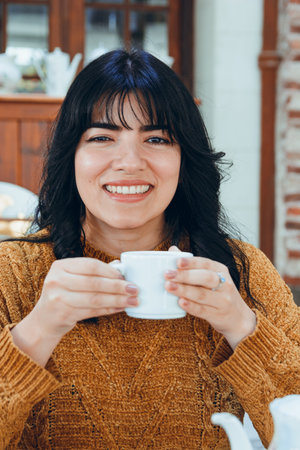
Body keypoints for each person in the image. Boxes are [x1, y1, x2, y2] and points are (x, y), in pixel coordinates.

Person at [0, 48, 299, 450]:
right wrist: (37, 331)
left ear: (184, 157)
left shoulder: (239, 273)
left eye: (156, 138)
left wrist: (243, 328)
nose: (129, 162)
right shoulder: (11, 274)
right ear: (70, 155)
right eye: (102, 137)